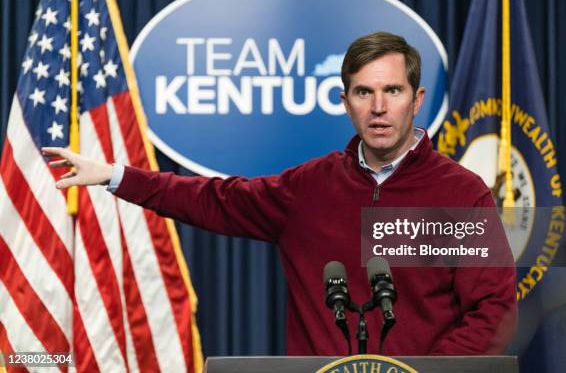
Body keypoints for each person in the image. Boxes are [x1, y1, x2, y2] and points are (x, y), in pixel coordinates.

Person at [43, 32, 517, 356]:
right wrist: (114, 175)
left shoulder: (462, 194)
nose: (378, 107)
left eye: (392, 90)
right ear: (343, 101)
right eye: (362, 92)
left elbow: (493, 309)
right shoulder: (308, 188)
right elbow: (213, 199)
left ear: (417, 99)